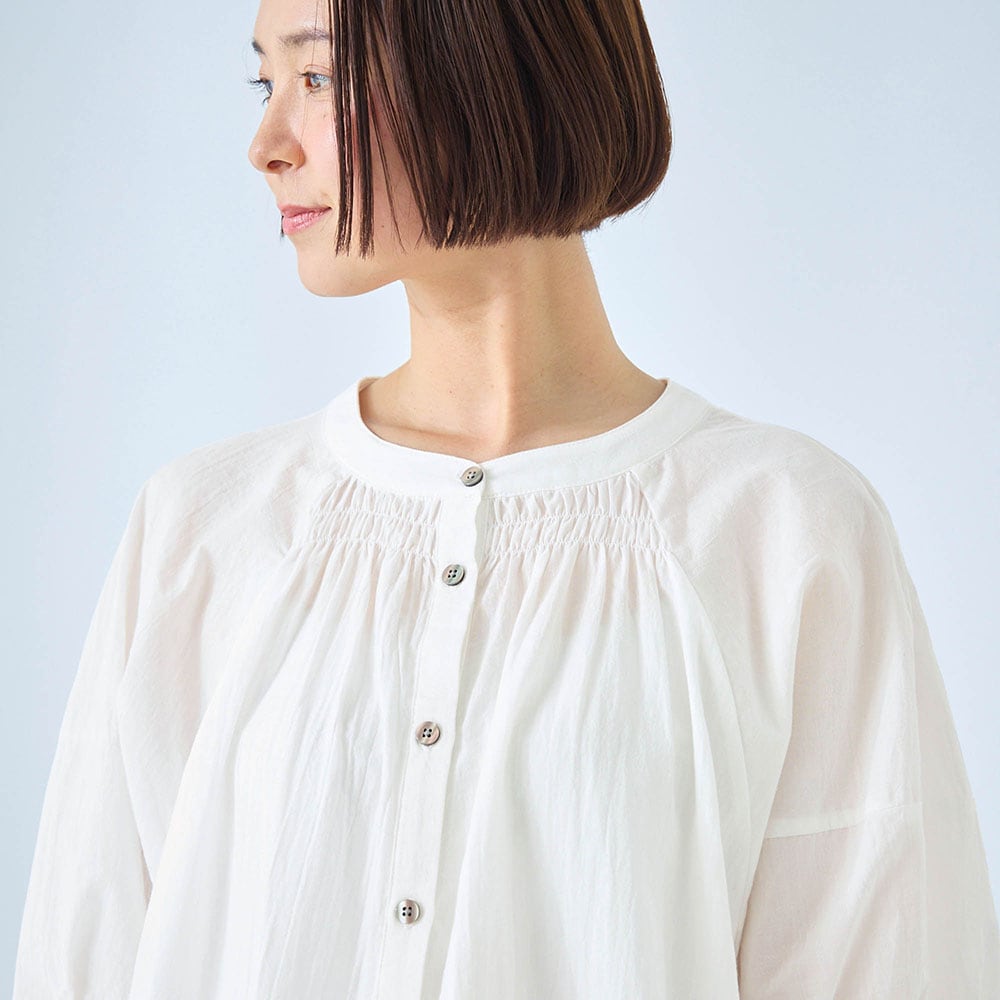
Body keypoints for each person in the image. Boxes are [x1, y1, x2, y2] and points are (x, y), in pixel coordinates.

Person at [13, 0, 1000, 995]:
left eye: (317, 78)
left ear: (486, 66)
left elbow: (888, 962)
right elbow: (84, 953)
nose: (266, 144)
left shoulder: (784, 535)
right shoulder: (204, 531)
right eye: (263, 83)